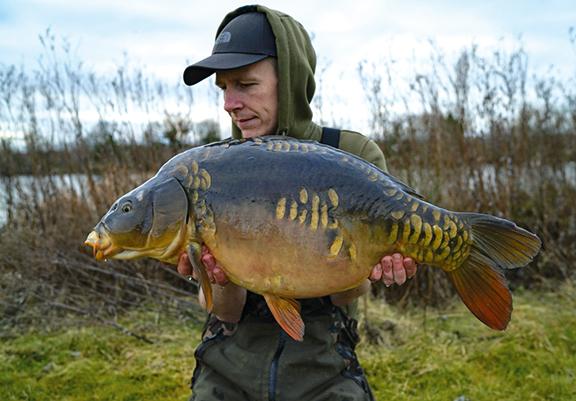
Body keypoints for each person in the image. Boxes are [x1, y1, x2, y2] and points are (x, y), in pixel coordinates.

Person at [178, 5, 417, 400]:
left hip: (325, 365)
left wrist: (370, 267)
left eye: (245, 84)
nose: (229, 103)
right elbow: (224, 311)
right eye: (223, 88)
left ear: (288, 80)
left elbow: (348, 295)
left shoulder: (353, 154)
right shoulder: (210, 172)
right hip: (228, 368)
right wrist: (217, 278)